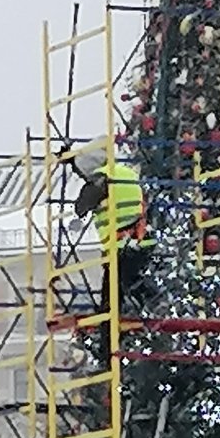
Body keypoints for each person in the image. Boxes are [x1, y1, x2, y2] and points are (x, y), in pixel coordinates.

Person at [72, 147, 155, 367]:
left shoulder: (101, 180)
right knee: (132, 289)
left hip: (121, 248)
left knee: (110, 307)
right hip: (140, 242)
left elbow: (81, 206)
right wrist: (73, 161)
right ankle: (152, 305)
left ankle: (108, 356)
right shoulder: (125, 173)